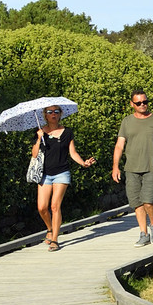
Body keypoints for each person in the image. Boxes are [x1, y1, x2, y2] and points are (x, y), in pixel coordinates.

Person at [112, 90, 153, 247]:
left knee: (148, 200)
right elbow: (119, 145)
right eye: (138, 103)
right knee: (136, 202)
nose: (142, 105)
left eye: (145, 102)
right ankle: (143, 233)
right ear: (132, 104)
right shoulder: (127, 122)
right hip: (131, 168)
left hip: (152, 167)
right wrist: (115, 167)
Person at [33, 105, 96, 251]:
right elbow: (35, 154)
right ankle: (50, 229)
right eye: (50, 112)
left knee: (55, 206)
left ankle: (55, 239)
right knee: (42, 207)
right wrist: (39, 138)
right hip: (44, 174)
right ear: (45, 115)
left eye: (56, 111)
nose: (53, 114)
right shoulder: (40, 132)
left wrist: (83, 163)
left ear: (60, 114)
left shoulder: (67, 132)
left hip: (61, 173)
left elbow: (72, 152)